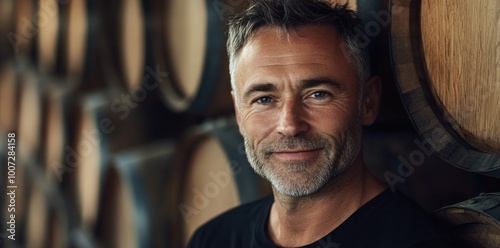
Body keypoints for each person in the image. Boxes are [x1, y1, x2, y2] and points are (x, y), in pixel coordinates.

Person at [188, 0, 456, 247]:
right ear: (238, 111)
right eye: (264, 99)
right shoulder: (213, 239)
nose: (290, 125)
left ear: (368, 103)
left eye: (318, 94)